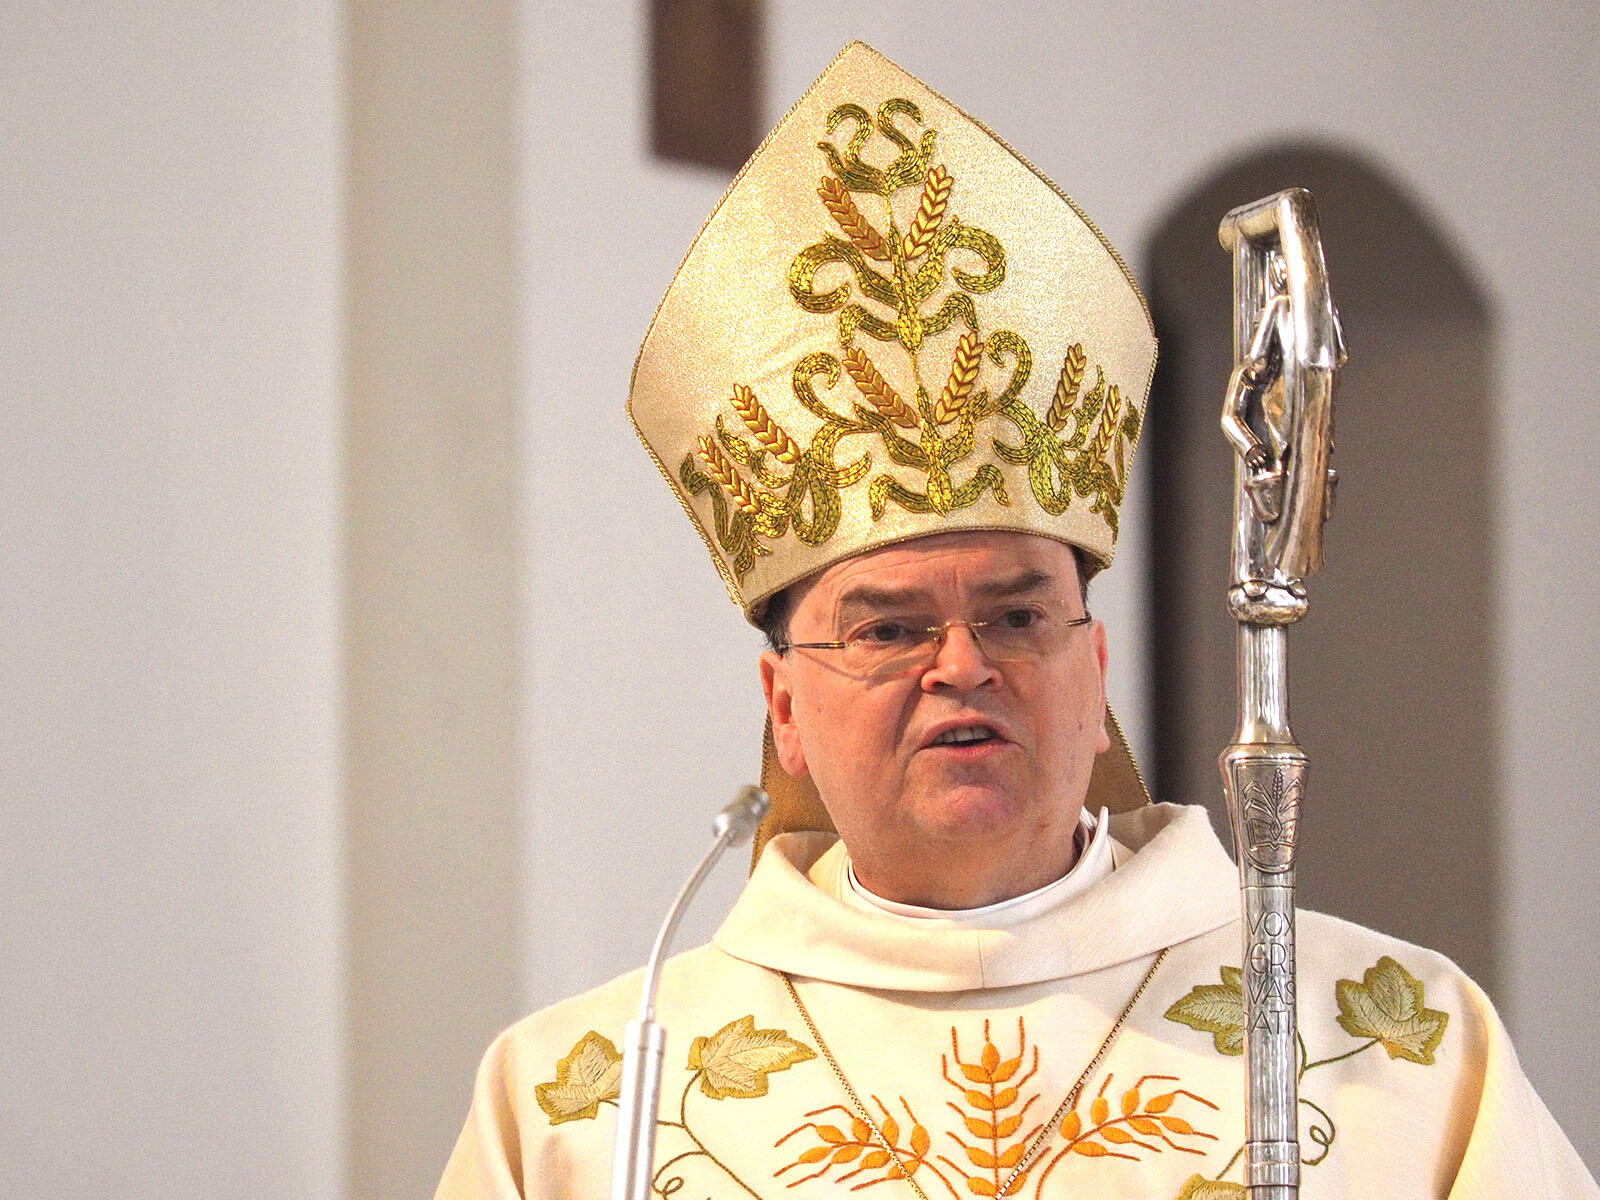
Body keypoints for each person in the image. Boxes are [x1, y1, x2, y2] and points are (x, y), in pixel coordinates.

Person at [435, 42, 1597, 1199]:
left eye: (1016, 614)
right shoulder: (586, 1106)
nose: (962, 667)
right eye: (887, 630)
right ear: (783, 707)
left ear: (1092, 676)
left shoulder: (1393, 1052)